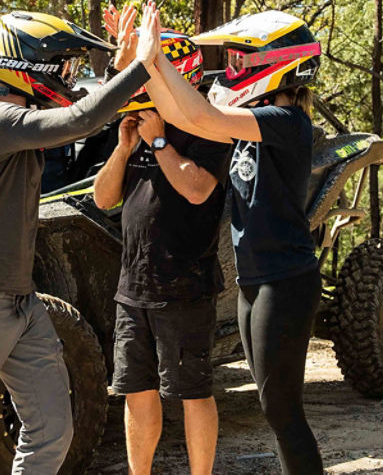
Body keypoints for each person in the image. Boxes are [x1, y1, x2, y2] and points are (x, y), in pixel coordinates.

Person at [0, 9, 157, 475]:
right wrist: (146, 62)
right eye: (64, 66)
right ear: (32, 67)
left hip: (19, 303)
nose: (70, 76)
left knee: (53, 429)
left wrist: (118, 68)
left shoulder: (17, 121)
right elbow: (80, 119)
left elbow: (81, 112)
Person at [133, 3, 324, 475]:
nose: (233, 69)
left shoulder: (285, 123)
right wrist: (148, 63)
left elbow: (199, 116)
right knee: (274, 409)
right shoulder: (249, 118)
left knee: (283, 409)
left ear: (277, 65)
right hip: (254, 283)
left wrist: (156, 59)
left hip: (285, 282)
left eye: (242, 60)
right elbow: (184, 113)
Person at [93, 25, 229, 475]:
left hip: (185, 286)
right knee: (136, 388)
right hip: (133, 289)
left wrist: (159, 142)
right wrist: (124, 148)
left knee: (193, 391)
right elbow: (102, 198)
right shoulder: (137, 126)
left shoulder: (205, 126)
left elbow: (197, 189)